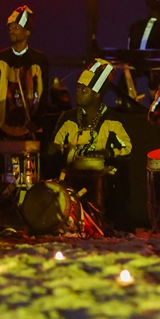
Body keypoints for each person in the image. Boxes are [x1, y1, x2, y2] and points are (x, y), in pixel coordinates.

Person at [49, 58, 133, 224]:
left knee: (111, 179)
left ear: (96, 95)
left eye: (84, 90)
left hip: (102, 179)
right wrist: (54, 149)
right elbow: (55, 145)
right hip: (71, 176)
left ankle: (105, 221)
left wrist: (107, 153)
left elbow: (128, 148)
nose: (78, 92)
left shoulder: (112, 120)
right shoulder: (68, 118)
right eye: (78, 88)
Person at [0, 6, 51, 140]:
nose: (12, 31)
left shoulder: (39, 60)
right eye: (10, 28)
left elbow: (43, 93)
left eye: (16, 28)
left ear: (27, 32)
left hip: (29, 129)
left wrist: (38, 119)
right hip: (1, 129)